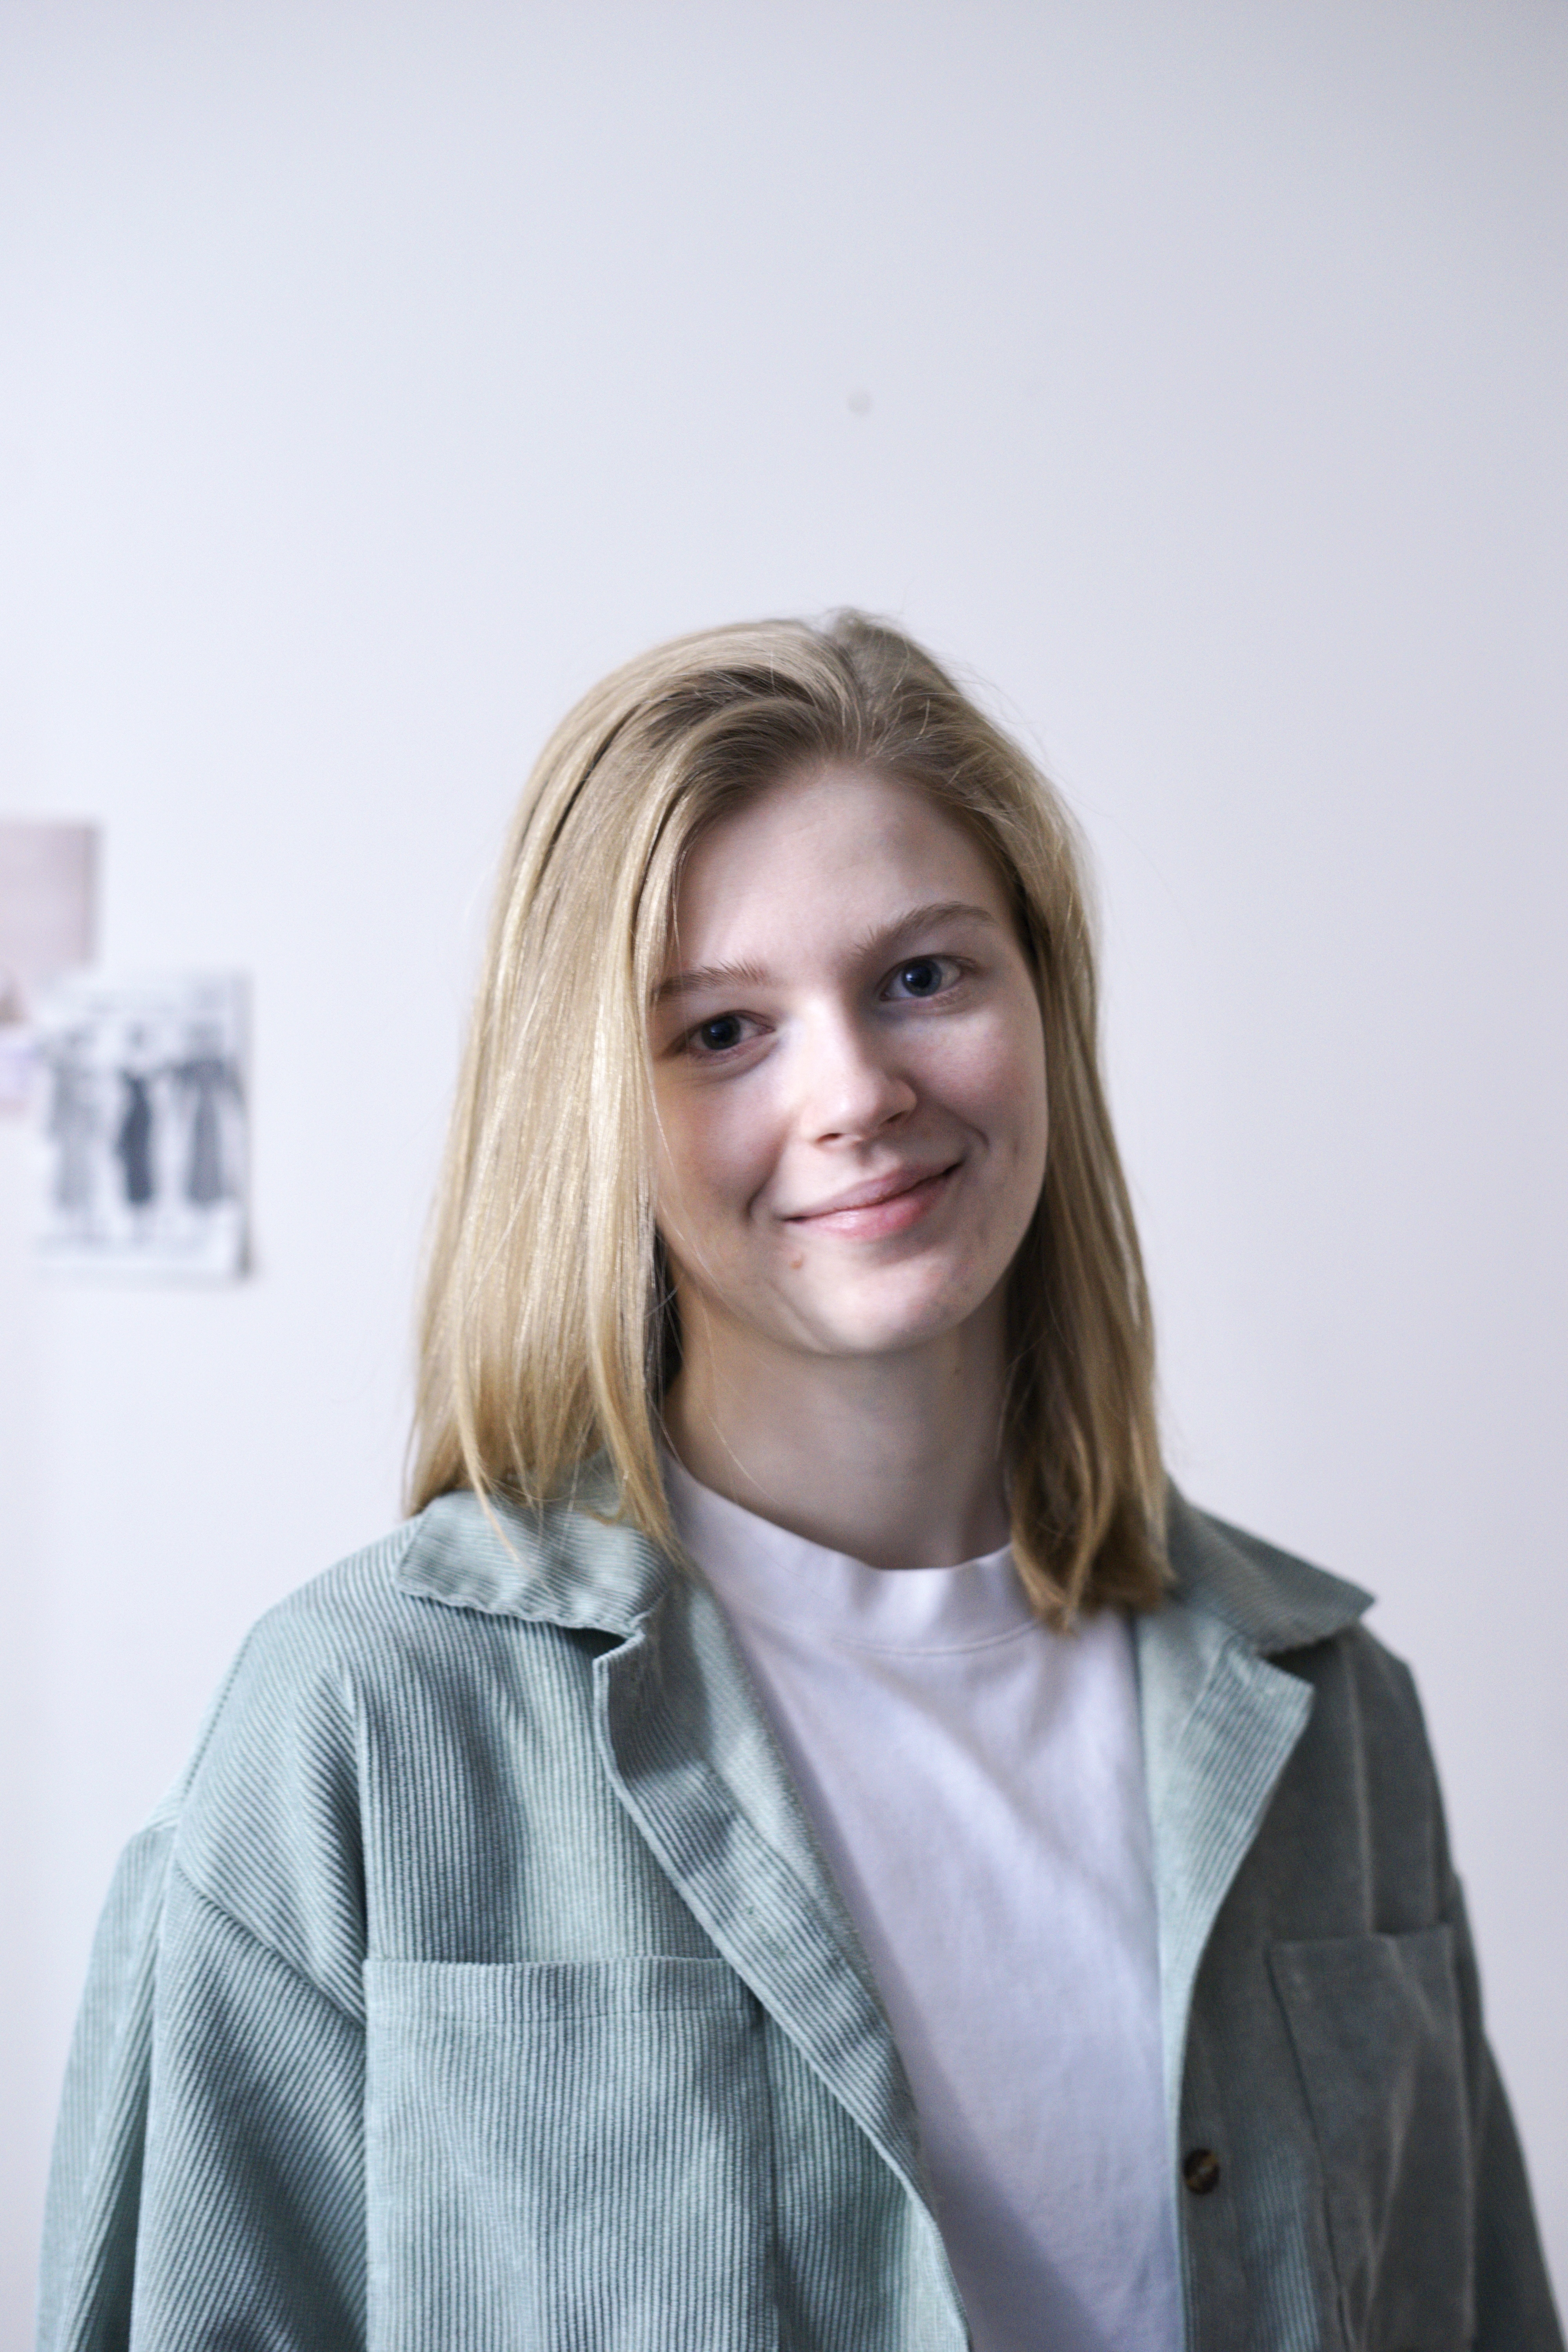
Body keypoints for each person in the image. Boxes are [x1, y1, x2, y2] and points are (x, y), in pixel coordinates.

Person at [38, 615, 1561, 2351]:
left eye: (924, 977)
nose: (853, 1091)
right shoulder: (364, 1723)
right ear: (597, 1108)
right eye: (720, 1033)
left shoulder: (1333, 1724)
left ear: (1042, 1004)